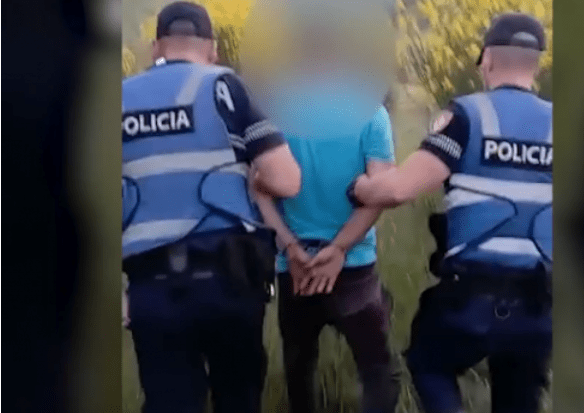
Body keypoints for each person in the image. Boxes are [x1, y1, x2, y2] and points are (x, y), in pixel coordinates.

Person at [350, 13, 552, 413]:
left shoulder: (466, 116)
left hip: (471, 297)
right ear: (537, 65)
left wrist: (361, 188)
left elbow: (399, 189)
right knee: (520, 392)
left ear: (487, 60)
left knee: (429, 363)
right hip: (538, 301)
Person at [121, 2, 301, 413]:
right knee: (238, 398)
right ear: (212, 49)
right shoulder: (225, 88)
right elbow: (287, 180)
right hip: (229, 282)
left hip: (153, 288)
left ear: (156, 47)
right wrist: (249, 181)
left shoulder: (121, 98)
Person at [254, 104, 401, 412]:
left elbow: (258, 189)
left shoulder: (275, 113)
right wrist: (339, 249)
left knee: (299, 370)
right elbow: (382, 191)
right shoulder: (371, 112)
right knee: (377, 370)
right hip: (354, 267)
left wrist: (289, 246)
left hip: (297, 267)